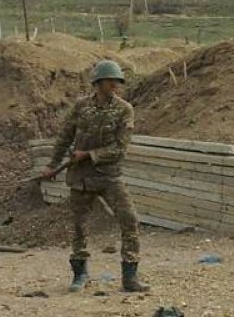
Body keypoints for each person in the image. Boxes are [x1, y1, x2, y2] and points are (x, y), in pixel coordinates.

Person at [42, 60, 150, 293]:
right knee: (80, 226)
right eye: (111, 81)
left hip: (110, 176)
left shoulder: (124, 110)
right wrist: (52, 165)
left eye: (117, 81)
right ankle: (80, 275)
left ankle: (130, 277)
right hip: (81, 177)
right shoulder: (81, 107)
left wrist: (89, 154)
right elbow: (64, 137)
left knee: (129, 220)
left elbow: (120, 148)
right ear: (98, 83)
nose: (115, 85)